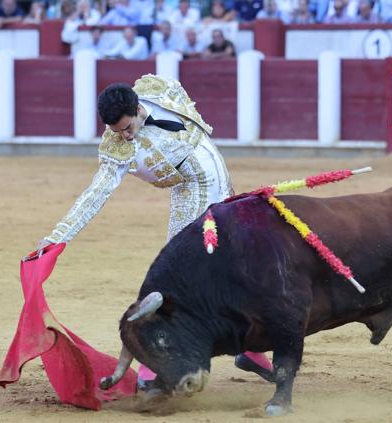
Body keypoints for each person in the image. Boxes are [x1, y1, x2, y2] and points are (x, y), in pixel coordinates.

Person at [34, 74, 274, 388]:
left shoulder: (159, 88)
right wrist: (58, 236)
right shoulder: (116, 148)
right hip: (192, 196)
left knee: (237, 268)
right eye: (116, 131)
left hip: (223, 184)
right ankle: (150, 361)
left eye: (127, 127)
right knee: (184, 277)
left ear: (136, 108)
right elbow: (95, 194)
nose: (126, 137)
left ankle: (250, 347)